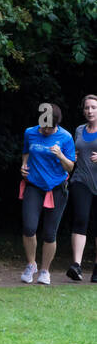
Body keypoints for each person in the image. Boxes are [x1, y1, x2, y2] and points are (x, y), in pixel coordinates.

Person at [20, 102, 75, 285]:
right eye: (43, 126)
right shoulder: (30, 132)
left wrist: (60, 156)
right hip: (34, 185)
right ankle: (31, 265)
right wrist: (24, 165)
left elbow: (70, 167)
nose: (45, 130)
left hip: (56, 188)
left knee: (50, 233)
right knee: (29, 227)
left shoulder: (65, 137)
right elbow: (26, 151)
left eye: (49, 128)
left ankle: (45, 271)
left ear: (56, 124)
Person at [64, 94, 97, 282]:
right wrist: (73, 156)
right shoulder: (79, 130)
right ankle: (76, 265)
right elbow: (75, 151)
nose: (89, 111)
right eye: (87, 108)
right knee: (80, 218)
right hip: (81, 180)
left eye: (93, 107)